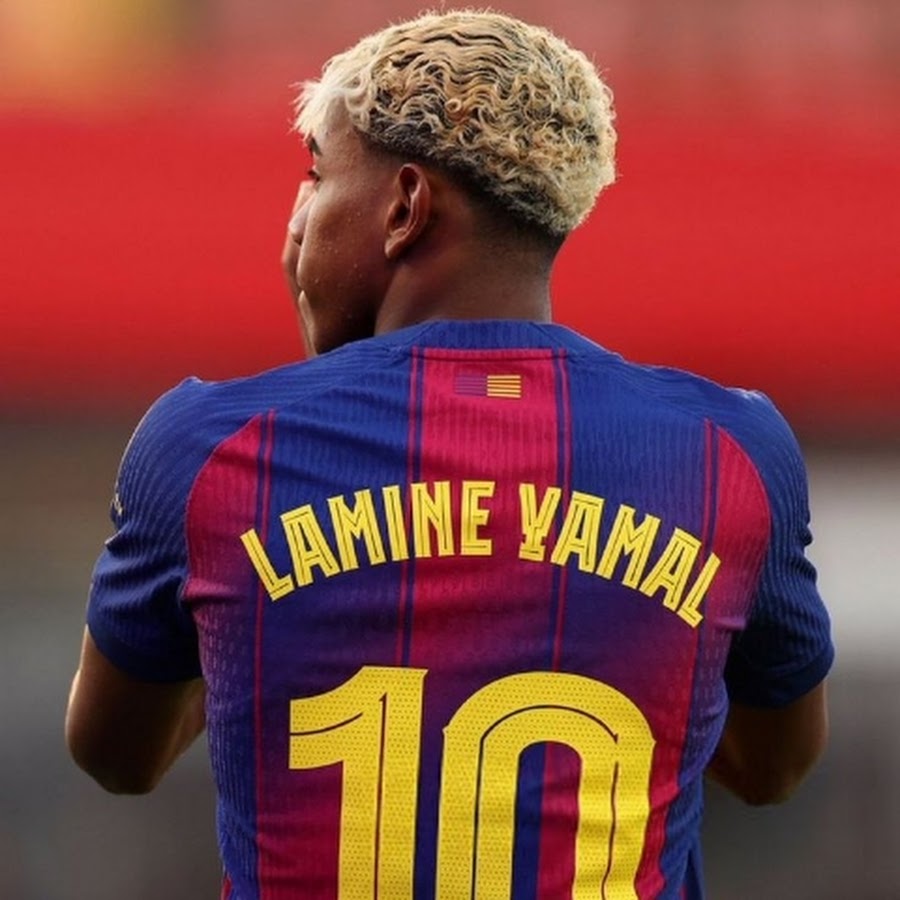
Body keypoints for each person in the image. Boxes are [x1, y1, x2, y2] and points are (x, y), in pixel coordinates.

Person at [65, 10, 833, 899]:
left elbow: (116, 755)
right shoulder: (729, 453)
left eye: (318, 174)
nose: (300, 217)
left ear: (404, 207)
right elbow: (774, 769)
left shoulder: (212, 448)